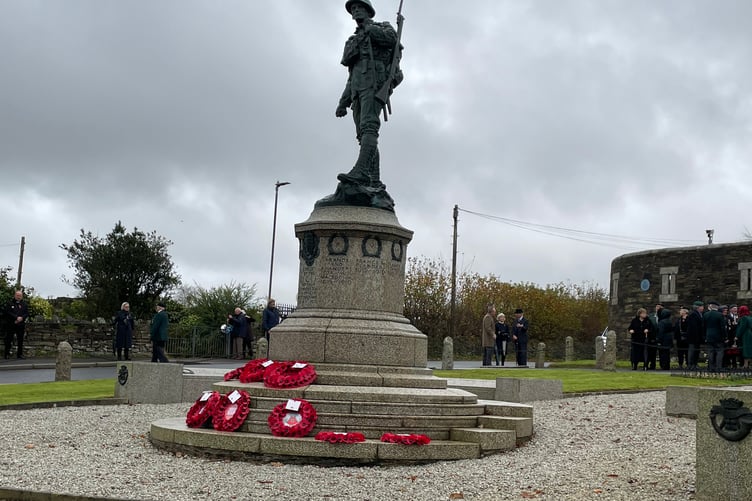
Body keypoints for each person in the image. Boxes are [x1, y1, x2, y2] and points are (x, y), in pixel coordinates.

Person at [333, 1, 400, 194]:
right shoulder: (354, 40)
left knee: (370, 127)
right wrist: (343, 102)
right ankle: (374, 180)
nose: (355, 10)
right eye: (353, 9)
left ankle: (361, 172)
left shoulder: (381, 27)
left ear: (368, 11)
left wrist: (370, 28)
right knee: (363, 136)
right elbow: (352, 74)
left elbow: (391, 40)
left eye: (359, 7)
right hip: (357, 89)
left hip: (374, 84)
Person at [3, 290, 29, 359]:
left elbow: (26, 313)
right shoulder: (9, 303)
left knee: (20, 340)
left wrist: (21, 318)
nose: (18, 297)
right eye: (17, 295)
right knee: (9, 339)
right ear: (14, 295)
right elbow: (7, 312)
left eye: (20, 296)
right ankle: (7, 354)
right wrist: (16, 318)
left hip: (20, 325)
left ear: (22, 296)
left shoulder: (24, 304)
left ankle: (19, 354)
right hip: (11, 324)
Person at [703, 301, 725, 372]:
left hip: (708, 335)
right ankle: (718, 367)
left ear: (711, 306)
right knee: (719, 352)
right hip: (718, 336)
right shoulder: (720, 315)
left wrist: (705, 336)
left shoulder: (706, 314)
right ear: (717, 307)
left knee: (710, 352)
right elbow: (722, 327)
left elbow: (703, 326)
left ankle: (710, 367)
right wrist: (725, 337)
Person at [686, 300, 704, 370]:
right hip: (693, 337)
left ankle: (695, 363)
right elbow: (693, 327)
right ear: (698, 307)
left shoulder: (699, 314)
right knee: (692, 351)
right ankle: (691, 364)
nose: (703, 308)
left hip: (697, 337)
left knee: (696, 351)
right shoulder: (694, 314)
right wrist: (696, 337)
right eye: (702, 306)